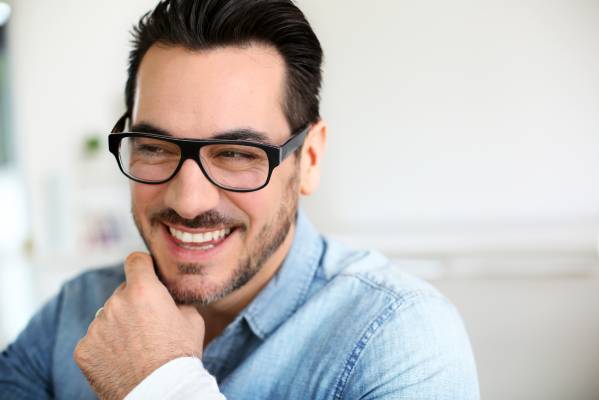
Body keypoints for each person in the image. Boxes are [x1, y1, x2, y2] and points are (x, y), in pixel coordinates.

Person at [0, 0, 480, 398]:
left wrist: (157, 384)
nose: (188, 201)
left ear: (308, 159)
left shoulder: (400, 338)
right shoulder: (77, 308)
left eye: (235, 153)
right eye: (155, 148)